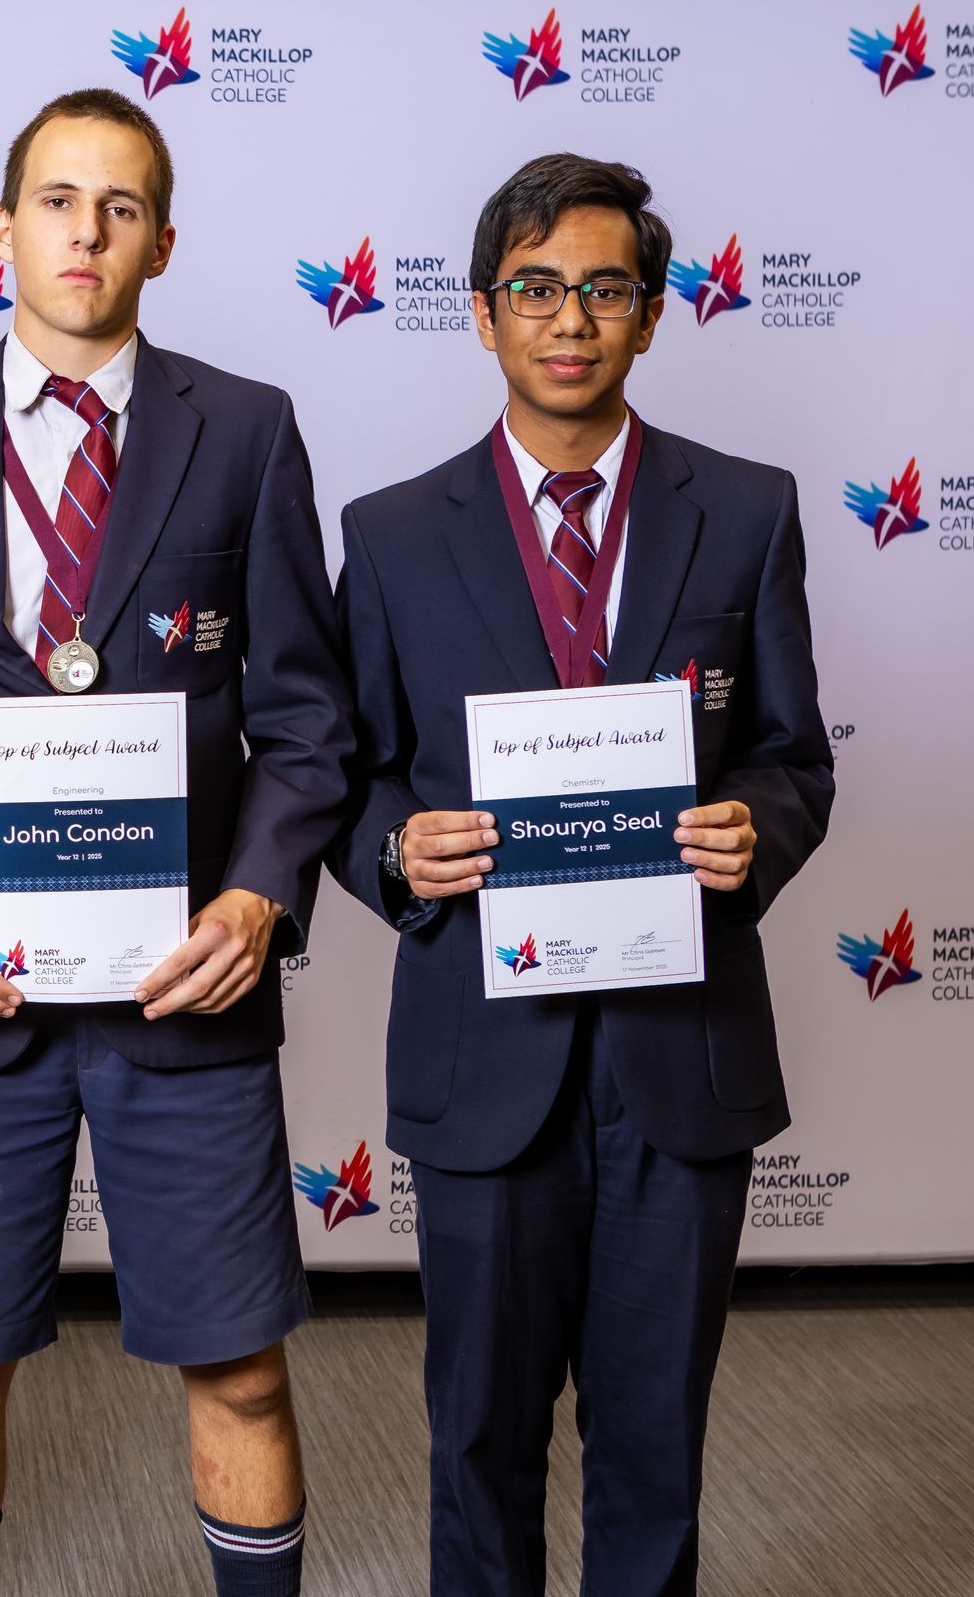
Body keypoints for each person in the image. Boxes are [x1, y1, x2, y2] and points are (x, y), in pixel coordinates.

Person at [0, 88, 352, 1597]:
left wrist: (256, 901)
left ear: (161, 243)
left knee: (242, 1371)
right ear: (2, 229)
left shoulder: (245, 429)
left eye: (120, 207)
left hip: (182, 988)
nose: (86, 232)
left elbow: (305, 717)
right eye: (57, 200)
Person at [330, 152, 834, 1597]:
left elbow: (794, 757)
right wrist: (396, 849)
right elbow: (345, 772)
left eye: (605, 289)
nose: (570, 318)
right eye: (536, 288)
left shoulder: (746, 510)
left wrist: (754, 830)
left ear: (653, 313)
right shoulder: (390, 533)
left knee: (655, 1443)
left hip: (682, 1053)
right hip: (485, 1057)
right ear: (483, 312)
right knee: (479, 1440)